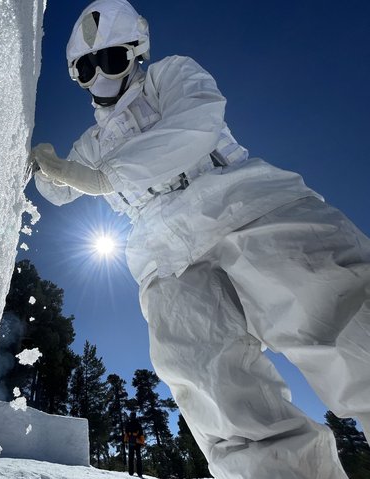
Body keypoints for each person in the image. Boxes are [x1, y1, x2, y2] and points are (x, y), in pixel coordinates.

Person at [31, 0, 370, 478]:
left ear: (137, 52)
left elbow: (194, 126)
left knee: (340, 316)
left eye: (111, 60)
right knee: (214, 386)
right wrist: (46, 164)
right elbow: (59, 186)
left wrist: (106, 178)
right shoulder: (92, 142)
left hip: (244, 203)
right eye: (88, 68)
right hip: (164, 252)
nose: (101, 76)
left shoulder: (171, 76)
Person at [123, 411, 145, 478]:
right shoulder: (137, 424)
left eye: (133, 416)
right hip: (136, 442)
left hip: (133, 442)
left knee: (132, 457)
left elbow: (126, 433)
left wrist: (125, 441)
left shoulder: (131, 424)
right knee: (137, 458)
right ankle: (138, 473)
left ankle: (132, 472)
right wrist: (142, 442)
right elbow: (141, 434)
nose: (132, 417)